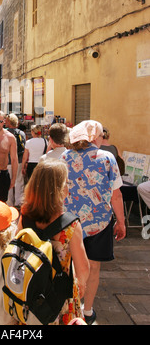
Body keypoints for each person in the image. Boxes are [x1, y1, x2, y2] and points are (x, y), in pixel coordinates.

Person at [61, 120, 126, 325]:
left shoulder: (64, 157)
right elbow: (116, 195)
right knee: (94, 268)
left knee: (69, 267)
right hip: (100, 223)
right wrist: (121, 222)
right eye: (99, 136)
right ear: (94, 137)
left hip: (70, 224)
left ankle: (69, 309)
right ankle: (87, 311)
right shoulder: (107, 158)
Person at [17, 159, 90, 325]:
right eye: (65, 183)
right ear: (58, 189)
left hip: (32, 293)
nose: (68, 187)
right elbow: (83, 267)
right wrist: (81, 285)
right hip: (59, 297)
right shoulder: (71, 225)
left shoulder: (25, 218)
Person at [6, 113, 26, 209]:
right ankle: (19, 201)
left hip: (8, 161)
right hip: (19, 160)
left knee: (8, 181)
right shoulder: (21, 133)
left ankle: (9, 202)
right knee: (19, 181)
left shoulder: (5, 133)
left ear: (8, 122)